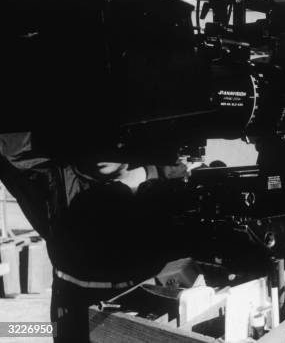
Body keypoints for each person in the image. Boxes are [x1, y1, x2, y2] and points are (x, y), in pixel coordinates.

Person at [0, 132, 187, 342]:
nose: (103, 152)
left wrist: (148, 173)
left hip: (143, 303)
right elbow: (9, 146)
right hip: (74, 308)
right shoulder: (56, 180)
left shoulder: (160, 180)